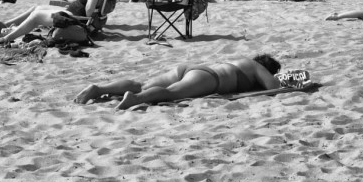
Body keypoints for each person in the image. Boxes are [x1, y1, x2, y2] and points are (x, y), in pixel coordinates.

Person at [74, 54, 283, 110]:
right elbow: (274, 88)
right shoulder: (256, 67)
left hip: (192, 68)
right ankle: (135, 99)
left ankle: (98, 89)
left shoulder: (241, 61)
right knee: (171, 93)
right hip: (210, 79)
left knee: (141, 84)